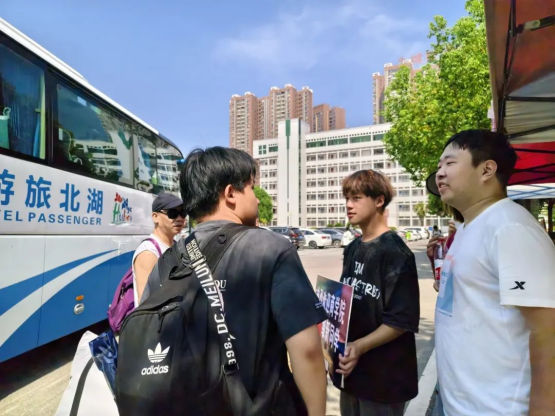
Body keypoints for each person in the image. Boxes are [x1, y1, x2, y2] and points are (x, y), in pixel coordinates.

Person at [145, 147, 328, 416]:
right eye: (252, 188)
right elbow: (307, 351)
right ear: (230, 194)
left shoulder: (166, 262)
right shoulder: (271, 249)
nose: (257, 199)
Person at [434, 130, 555, 416]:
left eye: (450, 163)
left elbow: (548, 330)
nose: (439, 173)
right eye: (439, 166)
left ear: (487, 169)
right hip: (459, 404)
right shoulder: (469, 227)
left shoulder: (510, 227)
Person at [338, 170, 420, 417]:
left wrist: (359, 346)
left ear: (379, 200)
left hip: (384, 380)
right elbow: (344, 302)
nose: (348, 205)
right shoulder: (353, 247)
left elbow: (401, 321)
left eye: (356, 198)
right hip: (350, 373)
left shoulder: (395, 253)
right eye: (347, 198)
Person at [132, 193, 185, 306]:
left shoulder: (177, 246)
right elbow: (147, 303)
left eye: (183, 213)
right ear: (155, 217)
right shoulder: (148, 253)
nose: (180, 218)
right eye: (172, 213)